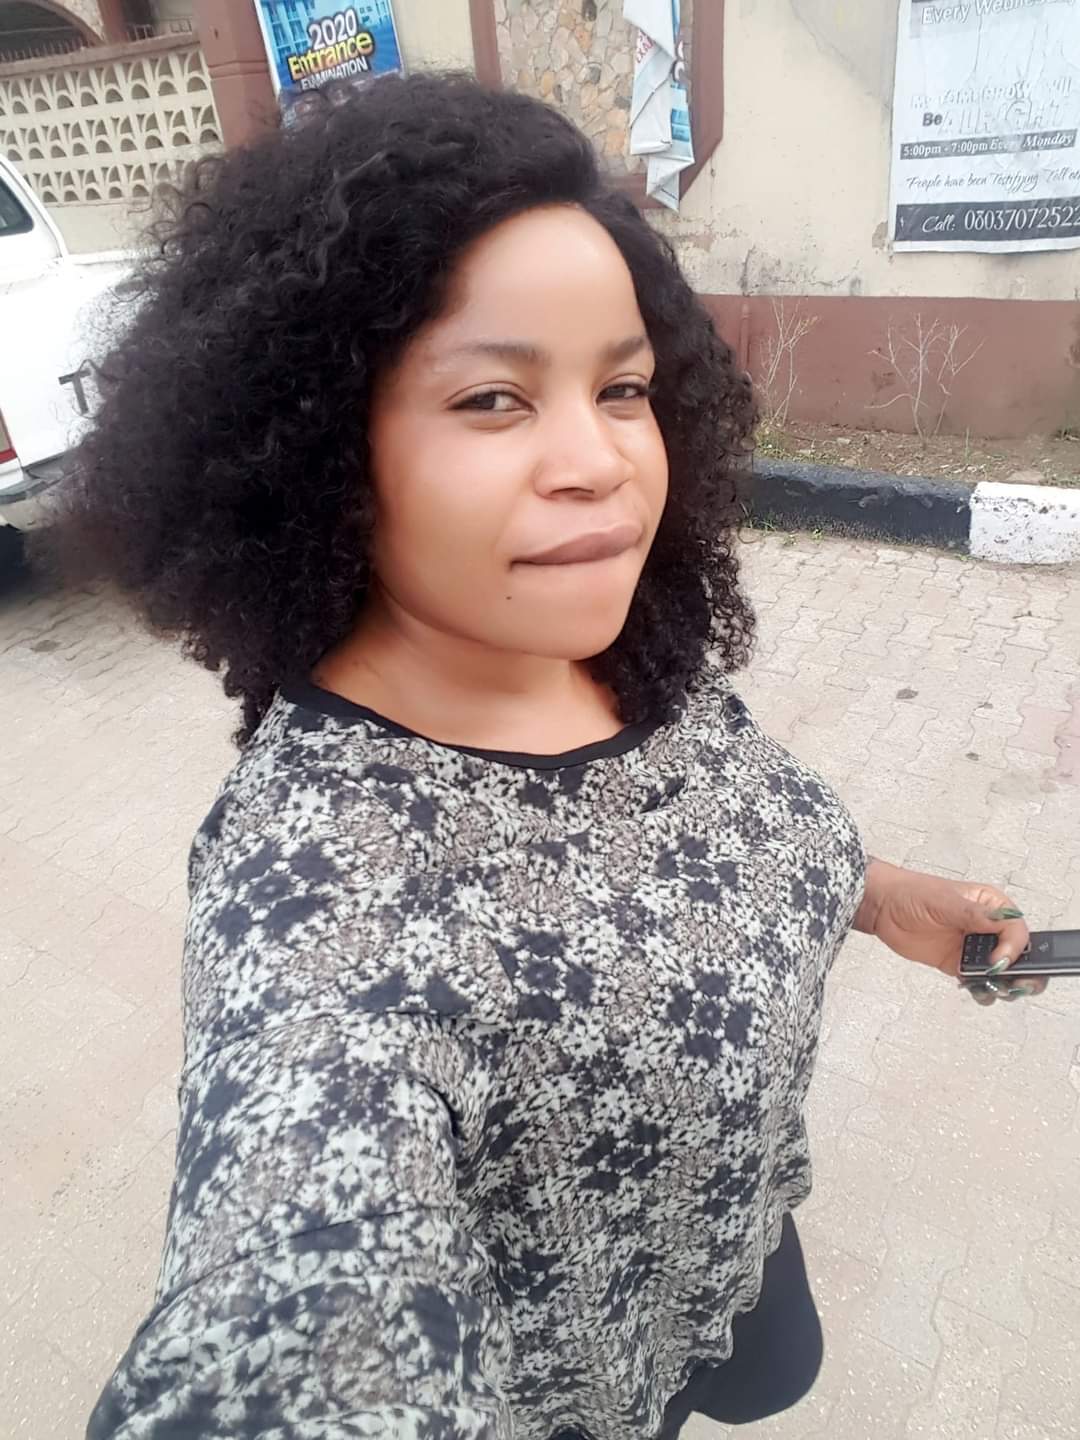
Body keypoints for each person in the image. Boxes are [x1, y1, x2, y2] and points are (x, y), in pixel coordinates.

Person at [53, 73, 1040, 1440]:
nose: (601, 460)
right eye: (492, 399)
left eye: (622, 387)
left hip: (735, 1245)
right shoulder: (321, 897)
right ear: (321, 447)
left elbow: (712, 827)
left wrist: (881, 898)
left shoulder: (620, 651)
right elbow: (299, 1277)